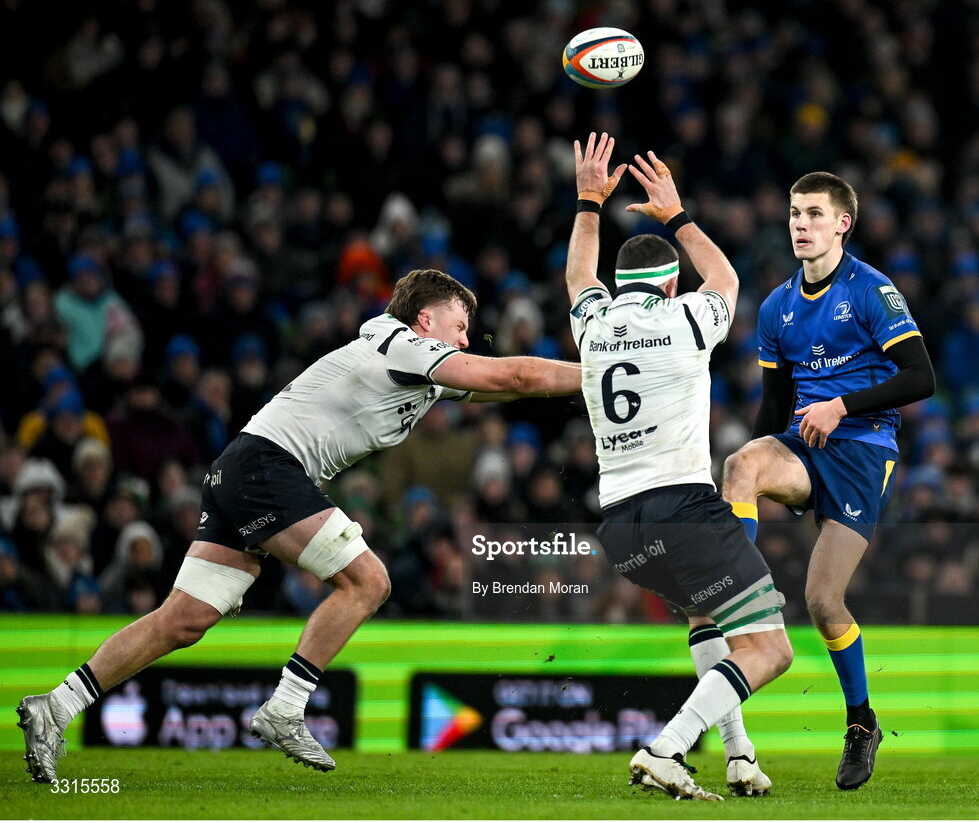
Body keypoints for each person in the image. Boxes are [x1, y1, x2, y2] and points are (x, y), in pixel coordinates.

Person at [18, 268, 582, 785]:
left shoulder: (415, 364)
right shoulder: (402, 344)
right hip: (269, 468)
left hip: (245, 467)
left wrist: (585, 386)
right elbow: (513, 371)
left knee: (183, 620)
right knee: (369, 582)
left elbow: (507, 387)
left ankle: (56, 706)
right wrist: (606, 367)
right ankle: (285, 708)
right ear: (425, 319)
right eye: (460, 327)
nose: (464, 341)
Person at [566, 132, 793, 802]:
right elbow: (725, 279)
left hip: (620, 526)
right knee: (771, 650)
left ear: (619, 283)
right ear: (669, 284)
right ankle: (665, 748)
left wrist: (588, 200)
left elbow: (579, 276)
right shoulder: (686, 318)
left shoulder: (595, 323)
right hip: (683, 510)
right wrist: (677, 215)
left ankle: (739, 755)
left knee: (707, 624)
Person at [722, 171, 935, 790]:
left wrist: (843, 406)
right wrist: (756, 482)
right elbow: (771, 412)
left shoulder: (871, 290)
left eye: (814, 214)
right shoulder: (775, 308)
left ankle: (861, 721)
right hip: (803, 446)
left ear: (843, 223)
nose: (800, 224)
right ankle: (739, 598)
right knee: (741, 463)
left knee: (822, 601)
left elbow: (921, 377)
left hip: (863, 449)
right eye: (794, 213)